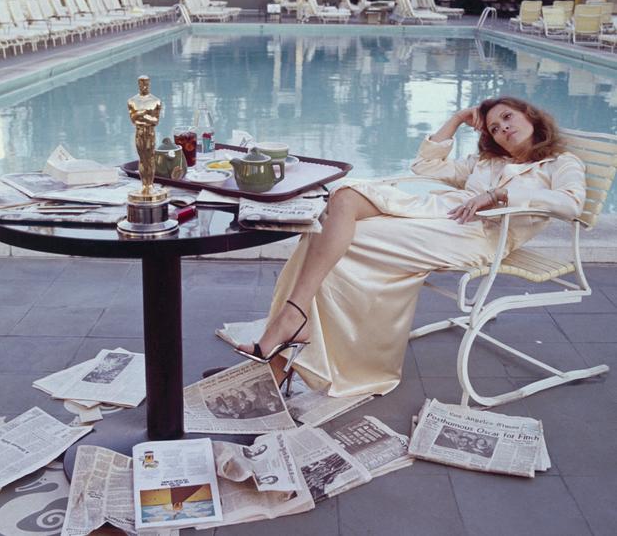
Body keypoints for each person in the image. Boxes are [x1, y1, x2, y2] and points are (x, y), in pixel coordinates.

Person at [233, 96, 586, 397]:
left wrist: (499, 193)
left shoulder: (560, 164)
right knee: (342, 199)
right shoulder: (488, 162)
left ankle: (280, 351)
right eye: (493, 127)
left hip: (478, 235)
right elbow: (425, 166)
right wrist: (459, 118)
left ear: (530, 116)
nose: (503, 128)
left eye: (507, 117)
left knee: (334, 239)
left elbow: (570, 204)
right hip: (440, 215)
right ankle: (293, 321)